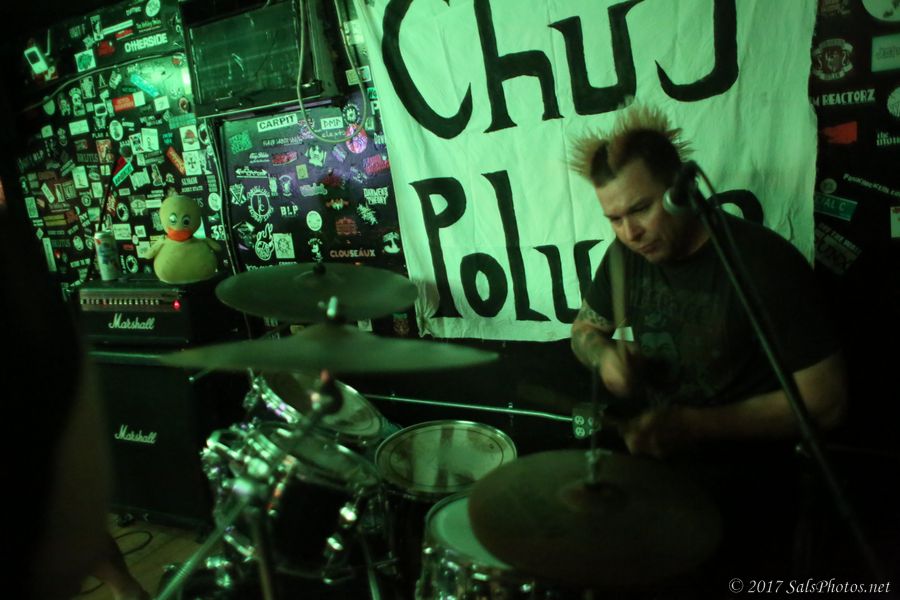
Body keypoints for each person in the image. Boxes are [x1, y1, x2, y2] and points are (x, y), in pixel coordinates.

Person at [568, 106, 847, 581]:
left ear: (680, 190)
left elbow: (828, 402)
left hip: (752, 497)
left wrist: (693, 425)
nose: (630, 233)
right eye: (614, 218)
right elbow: (584, 331)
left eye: (640, 209)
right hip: (660, 480)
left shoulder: (762, 263)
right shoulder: (624, 258)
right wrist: (603, 354)